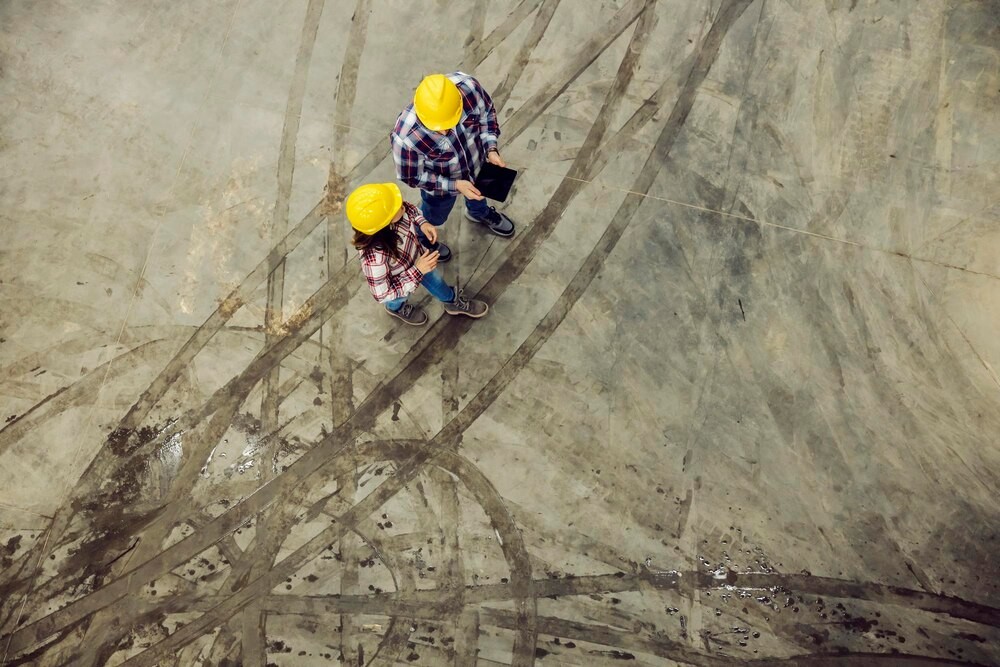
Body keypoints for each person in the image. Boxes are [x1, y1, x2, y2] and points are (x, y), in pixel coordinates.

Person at [391, 72, 517, 263]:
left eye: (450, 123)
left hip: (478, 166)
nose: (444, 131)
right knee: (434, 216)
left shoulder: (470, 88)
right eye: (437, 127)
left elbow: (487, 115)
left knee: (479, 195)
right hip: (442, 189)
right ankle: (424, 239)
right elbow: (412, 177)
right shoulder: (405, 137)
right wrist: (455, 185)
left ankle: (478, 213)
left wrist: (491, 148)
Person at [346, 182, 488, 325]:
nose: (402, 205)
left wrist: (422, 223)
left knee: (438, 283)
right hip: (404, 279)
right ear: (384, 224)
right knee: (397, 300)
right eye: (398, 206)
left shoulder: (396, 210)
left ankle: (452, 302)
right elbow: (383, 294)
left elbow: (411, 210)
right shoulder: (374, 259)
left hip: (419, 259)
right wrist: (418, 270)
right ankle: (395, 308)